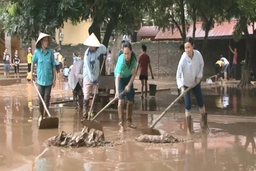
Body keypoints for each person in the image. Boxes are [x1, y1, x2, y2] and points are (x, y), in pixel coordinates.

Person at [176, 37, 209, 134]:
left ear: (193, 46)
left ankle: (204, 125)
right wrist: (182, 88)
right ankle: (190, 130)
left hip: (196, 83)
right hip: (186, 85)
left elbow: (201, 65)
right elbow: (178, 75)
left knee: (200, 103)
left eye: (189, 47)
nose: (187, 50)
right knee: (188, 105)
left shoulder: (198, 55)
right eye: (185, 48)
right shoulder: (183, 59)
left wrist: (199, 77)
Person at [30, 32, 56, 120]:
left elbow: (53, 66)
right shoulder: (37, 52)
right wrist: (32, 74)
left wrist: (54, 79)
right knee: (40, 99)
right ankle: (41, 115)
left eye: (47, 41)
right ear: (41, 42)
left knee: (47, 98)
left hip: (49, 79)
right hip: (40, 80)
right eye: (45, 41)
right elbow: (33, 63)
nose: (46, 42)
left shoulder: (50, 52)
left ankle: (46, 115)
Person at [114, 40, 137, 133]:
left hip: (128, 78)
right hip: (120, 79)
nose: (126, 56)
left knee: (130, 101)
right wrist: (117, 92)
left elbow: (134, 74)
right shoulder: (121, 60)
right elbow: (117, 77)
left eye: (128, 53)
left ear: (131, 52)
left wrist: (129, 85)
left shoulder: (134, 60)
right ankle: (121, 124)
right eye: (125, 53)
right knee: (120, 102)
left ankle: (129, 121)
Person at [82, 33, 107, 118]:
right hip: (88, 77)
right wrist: (93, 79)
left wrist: (105, 54)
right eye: (91, 46)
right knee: (86, 96)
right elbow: (88, 70)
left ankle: (93, 112)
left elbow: (105, 49)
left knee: (95, 95)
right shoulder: (86, 55)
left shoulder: (100, 48)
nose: (92, 47)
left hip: (96, 75)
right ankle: (85, 115)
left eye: (94, 46)